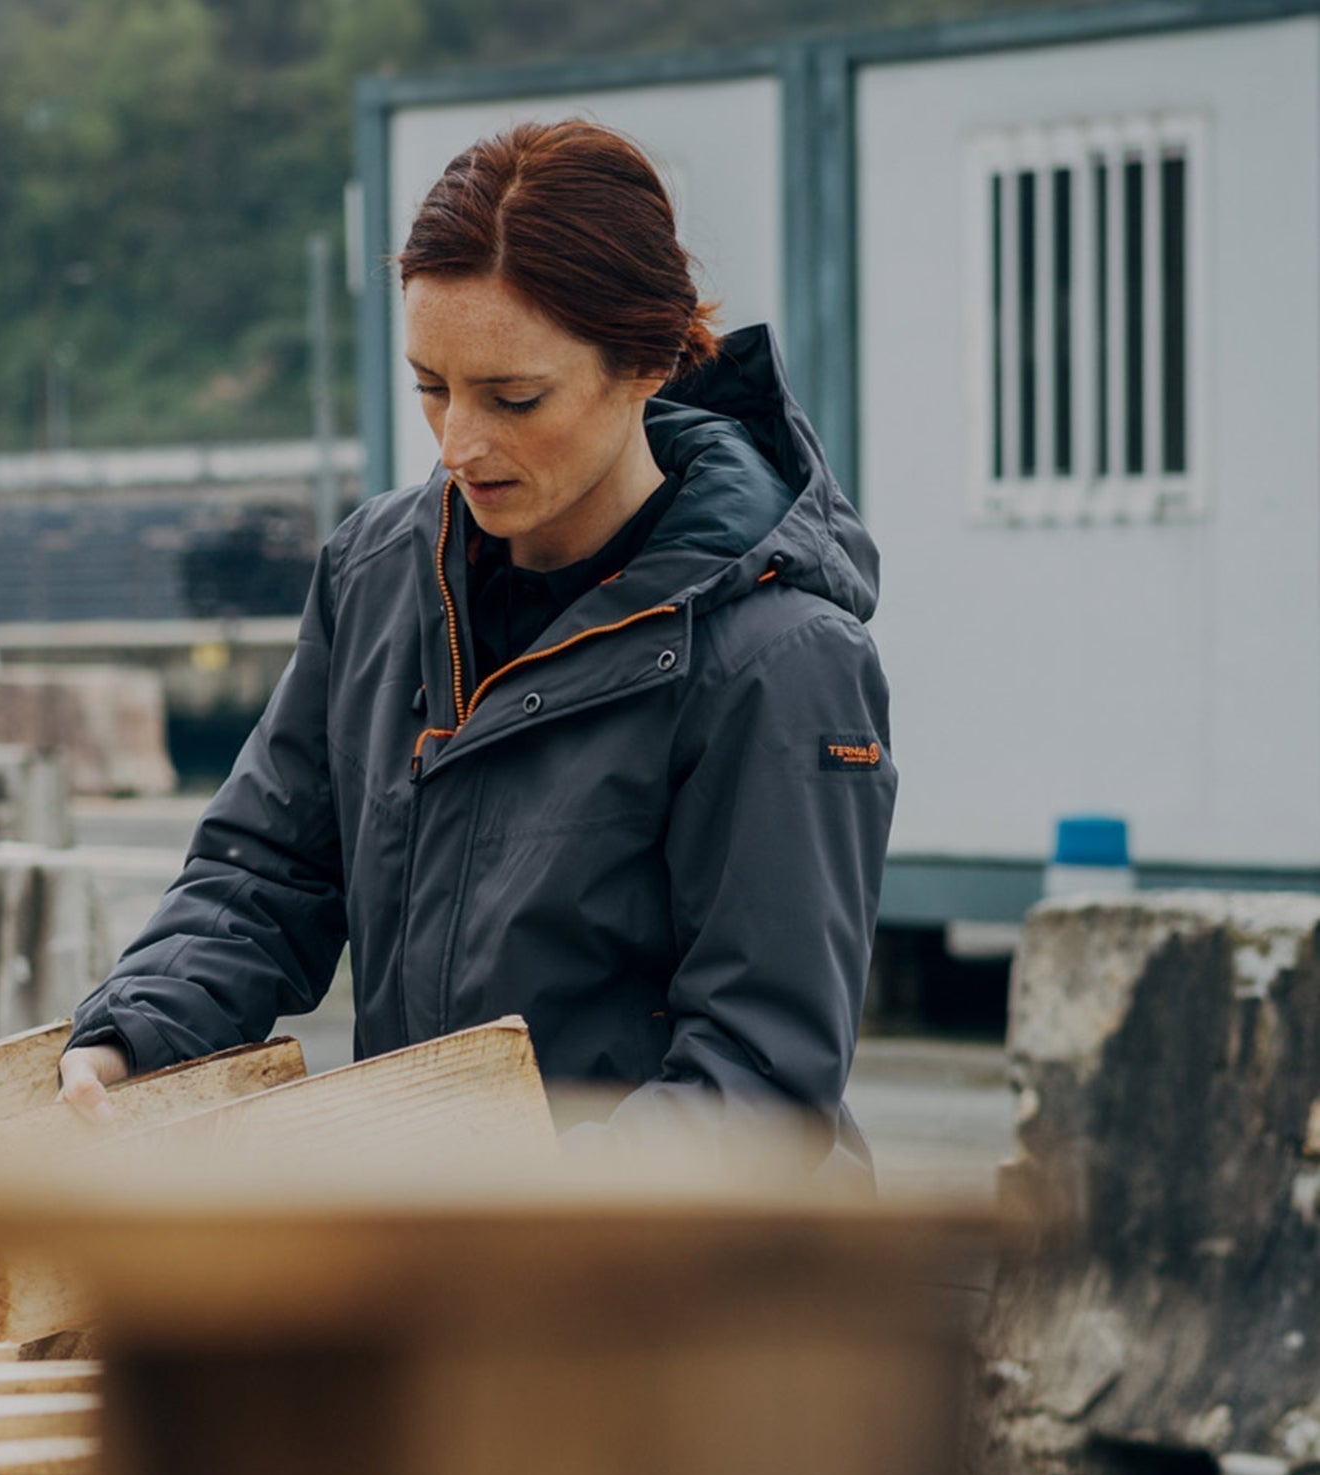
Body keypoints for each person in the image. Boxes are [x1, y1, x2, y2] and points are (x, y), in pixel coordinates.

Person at [58, 119, 896, 1173]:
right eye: (431, 386)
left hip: (689, 1300)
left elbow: (758, 1082)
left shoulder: (780, 660)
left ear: (645, 359)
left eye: (514, 398)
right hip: (447, 1257)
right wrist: (136, 1032)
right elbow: (263, 873)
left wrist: (512, 1227)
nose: (459, 444)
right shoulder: (373, 576)